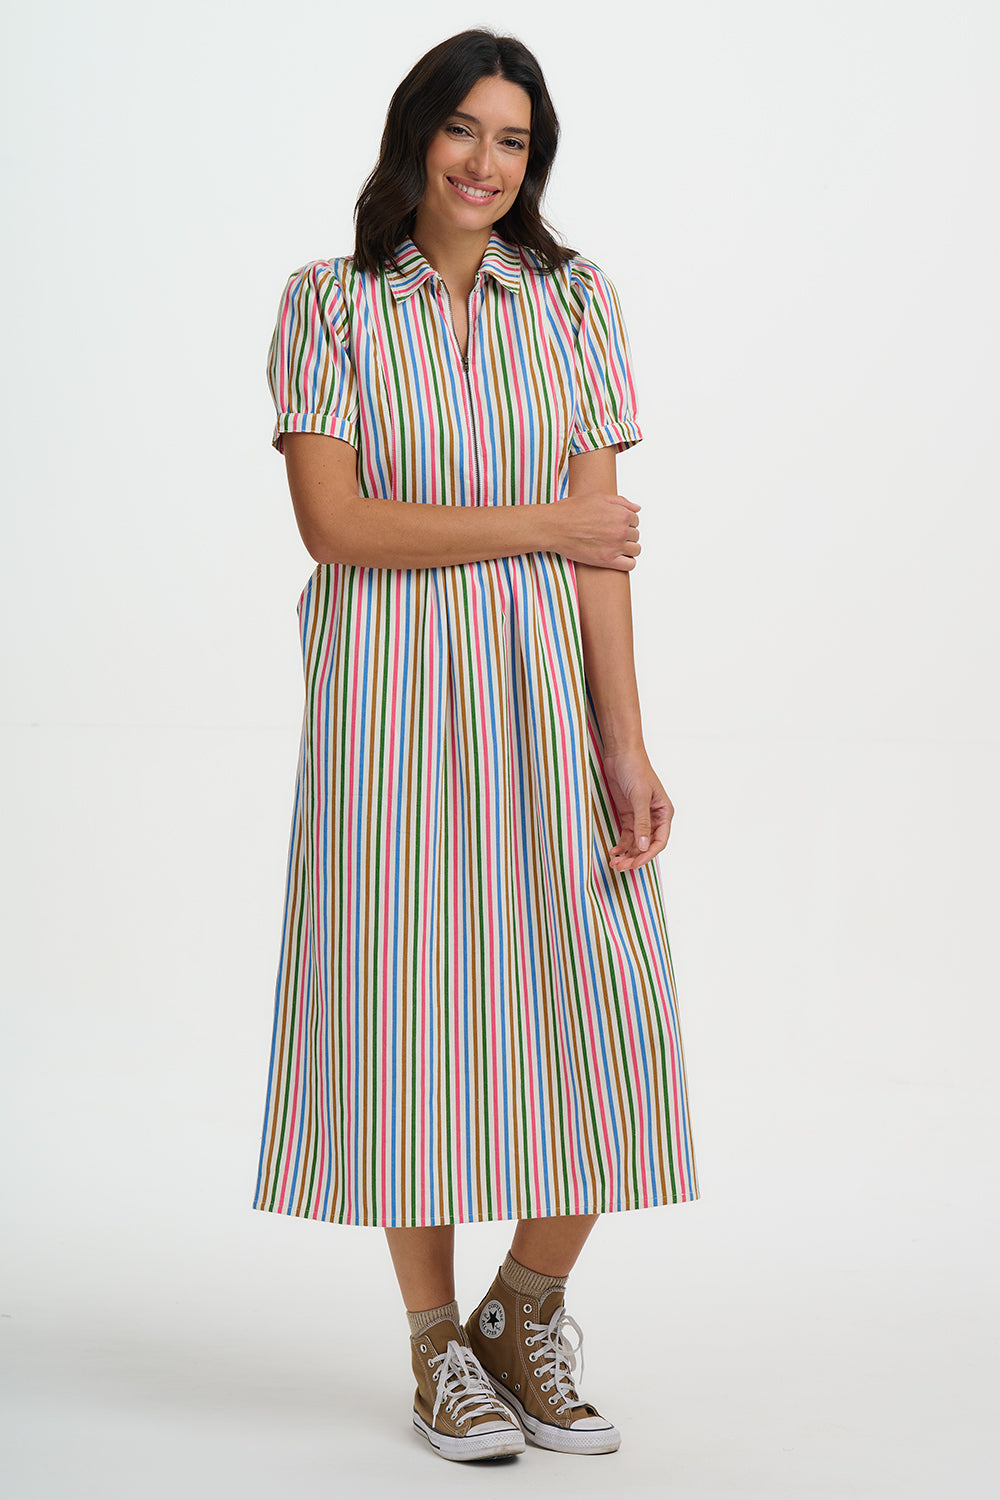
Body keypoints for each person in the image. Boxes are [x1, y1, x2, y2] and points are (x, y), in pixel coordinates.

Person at [253, 28, 700, 1463]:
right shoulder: (328, 304)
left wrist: (624, 746)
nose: (484, 163)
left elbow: (603, 559)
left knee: (604, 1012)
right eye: (462, 130)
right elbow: (339, 528)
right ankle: (436, 1343)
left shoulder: (575, 302)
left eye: (513, 140)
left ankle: (528, 1305)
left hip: (541, 700)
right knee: (413, 1018)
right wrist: (546, 520)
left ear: (536, 159)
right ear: (414, 136)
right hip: (386, 706)